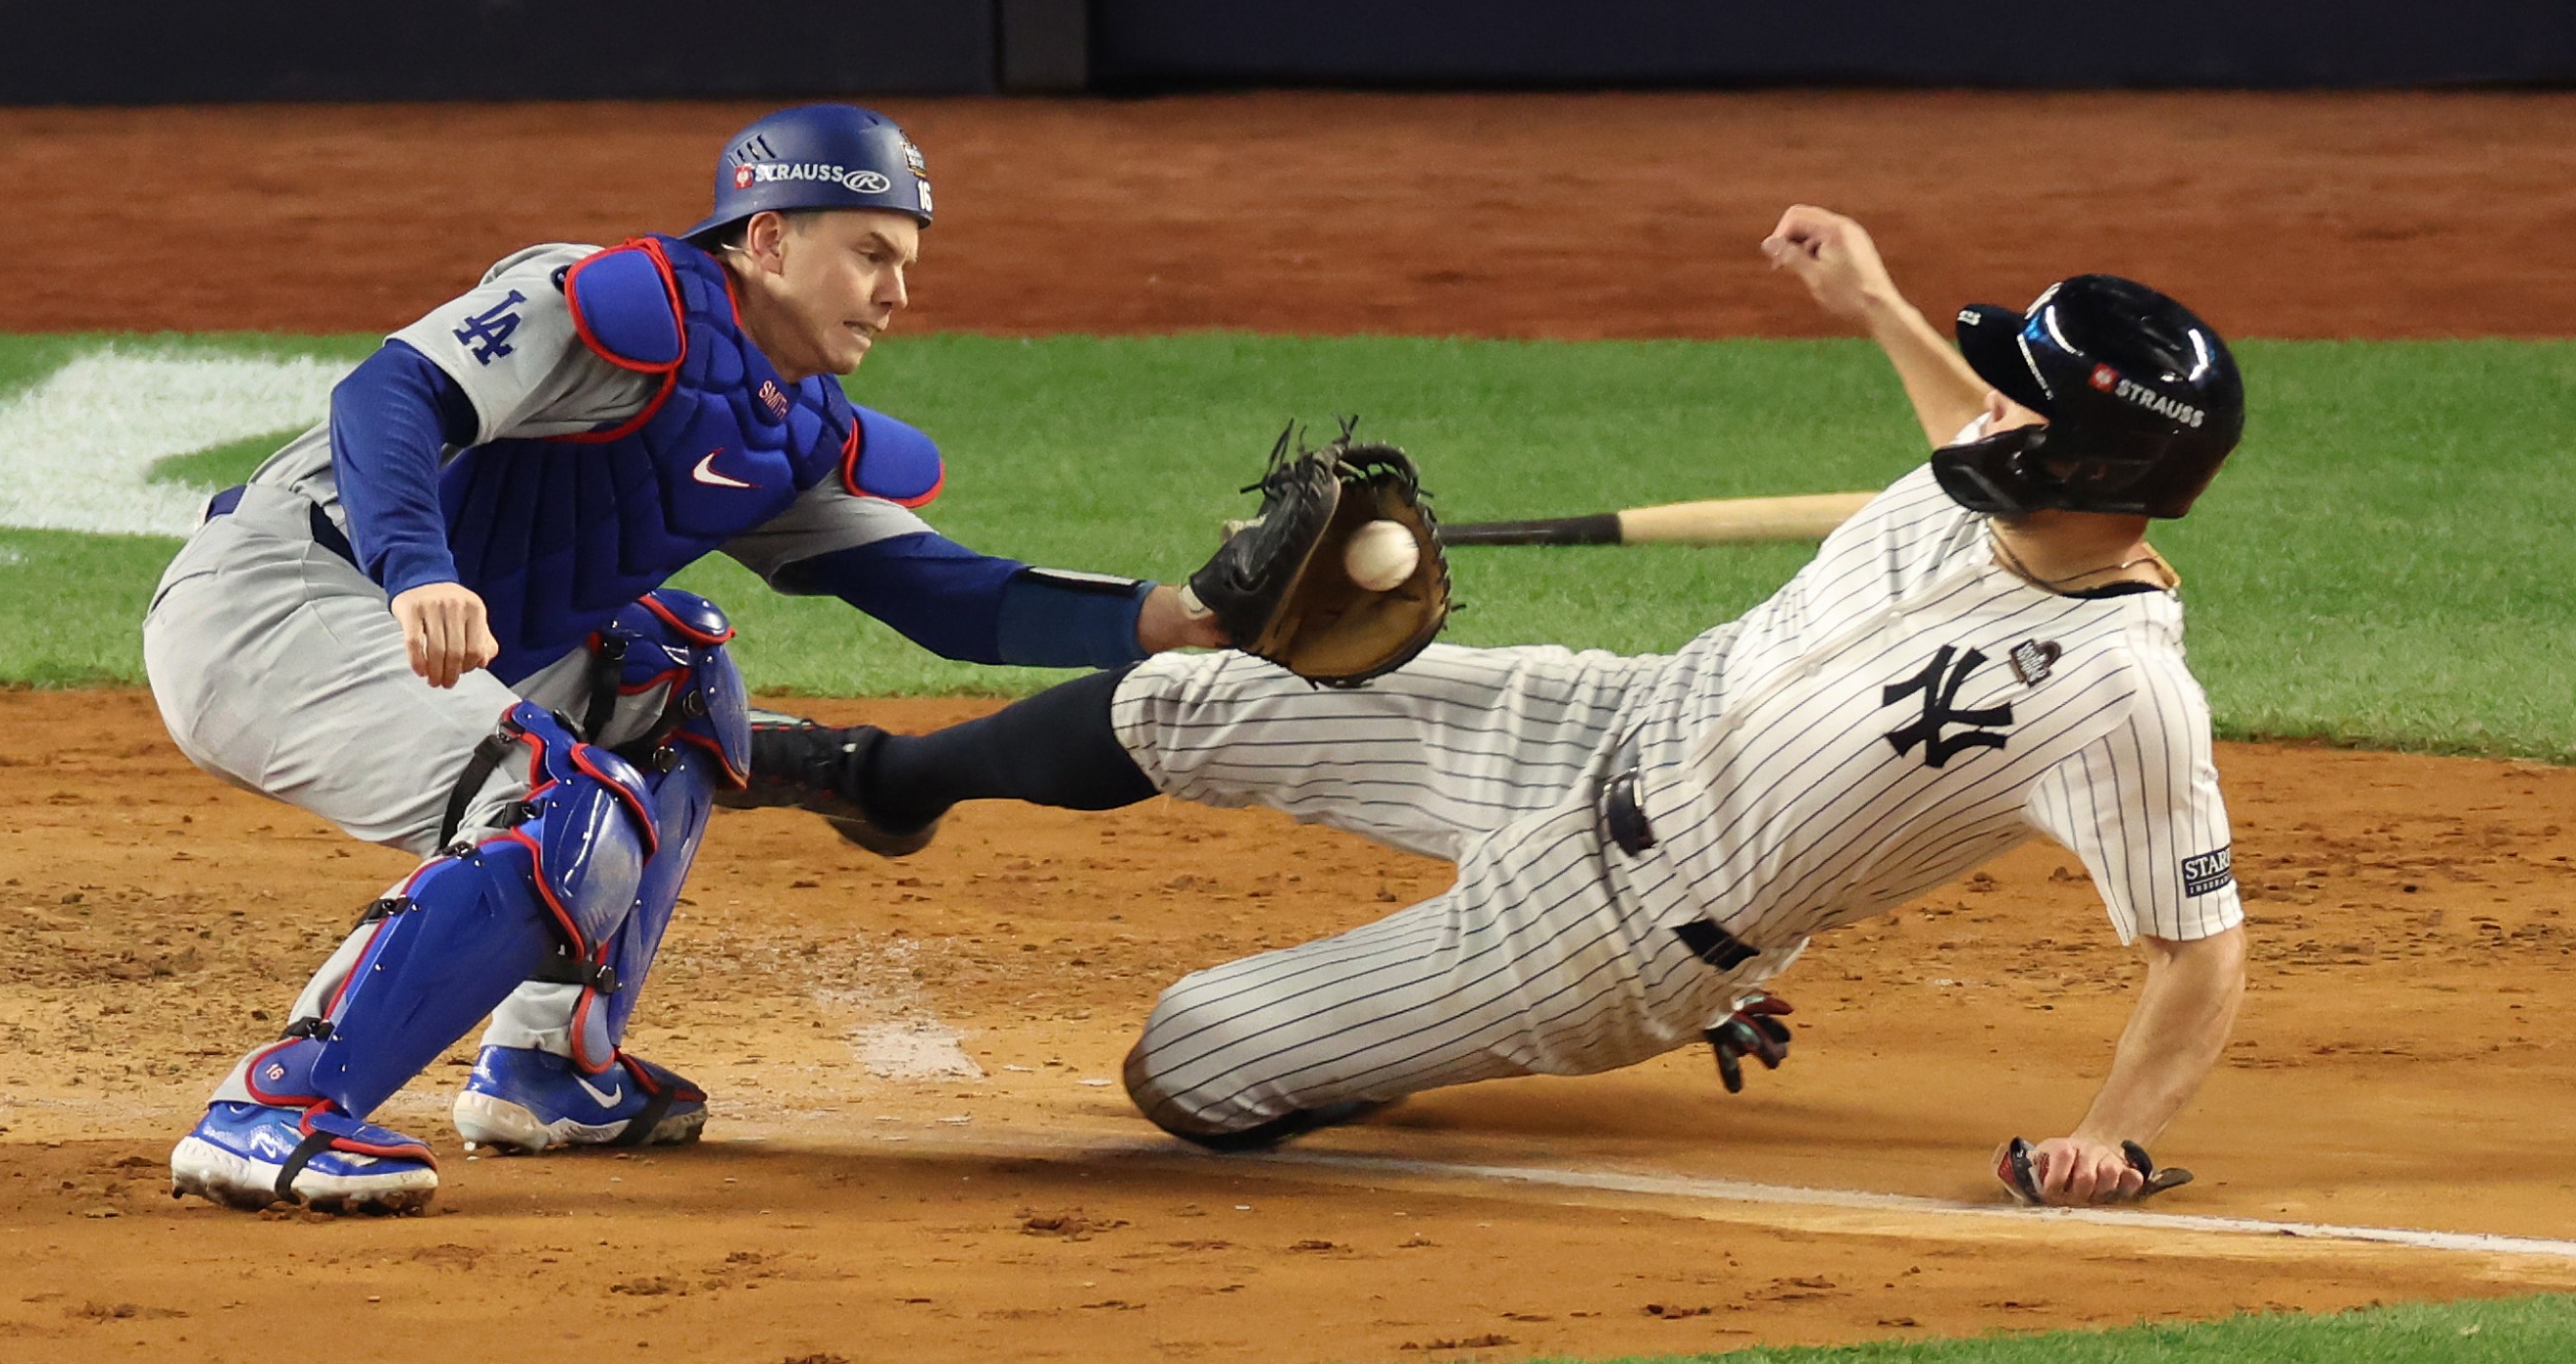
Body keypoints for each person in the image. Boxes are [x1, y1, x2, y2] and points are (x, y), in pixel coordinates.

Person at [733, 205, 2248, 1207]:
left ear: (2088, 473)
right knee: (1195, 689)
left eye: (2024, 403)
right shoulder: (1988, 483)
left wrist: (2112, 1135)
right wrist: (1872, 300)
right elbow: (1955, 416)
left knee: (1186, 1064)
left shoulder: (2120, 698)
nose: (1987, 407)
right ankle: (889, 785)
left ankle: (1416, 1044)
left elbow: (2201, 952)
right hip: (1602, 720)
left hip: (1621, 937)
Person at [142, 104, 1222, 1214]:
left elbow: (943, 593)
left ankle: (553, 1065)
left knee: (676, 677)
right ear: (766, 239)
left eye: (904, 261)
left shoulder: (786, 426)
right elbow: (389, 393)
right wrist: (419, 569)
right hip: (278, 602)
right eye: (869, 254)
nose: (897, 293)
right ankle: (278, 1108)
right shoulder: (603, 301)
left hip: (414, 633)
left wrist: (1181, 616)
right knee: (564, 803)